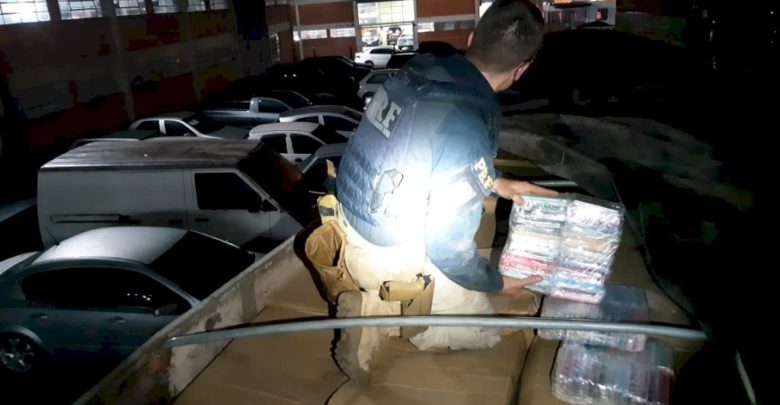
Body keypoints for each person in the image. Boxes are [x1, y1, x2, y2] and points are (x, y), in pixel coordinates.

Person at [332, 0, 556, 380]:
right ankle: (386, 314)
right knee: (484, 332)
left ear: (470, 39)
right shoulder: (465, 119)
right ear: (522, 69)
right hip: (387, 250)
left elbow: (421, 148)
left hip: (349, 217)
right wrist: (498, 283)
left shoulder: (420, 71)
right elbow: (448, 249)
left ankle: (389, 298)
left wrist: (495, 180)